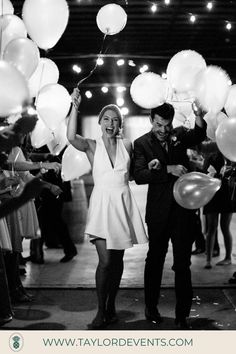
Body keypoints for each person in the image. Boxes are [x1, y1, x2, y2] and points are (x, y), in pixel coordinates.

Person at [67, 88, 148, 329]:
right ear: (100, 122)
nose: (110, 123)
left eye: (115, 120)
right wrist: (75, 106)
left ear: (120, 124)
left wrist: (150, 166)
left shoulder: (128, 145)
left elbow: (133, 174)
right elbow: (71, 137)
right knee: (105, 261)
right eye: (106, 119)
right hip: (102, 207)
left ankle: (111, 306)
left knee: (118, 261)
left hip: (123, 205)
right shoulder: (91, 145)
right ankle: (101, 311)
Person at [133, 101, 206, 329]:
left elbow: (198, 134)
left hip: (183, 213)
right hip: (158, 213)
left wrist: (198, 115)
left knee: (182, 265)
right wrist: (168, 169)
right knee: (154, 262)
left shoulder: (180, 135)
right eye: (158, 125)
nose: (163, 130)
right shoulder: (141, 143)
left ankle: (182, 315)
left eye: (167, 125)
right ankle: (150, 308)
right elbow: (139, 175)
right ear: (151, 120)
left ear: (172, 122)